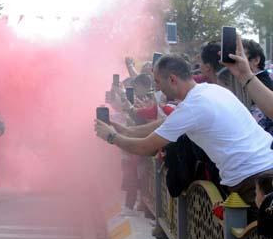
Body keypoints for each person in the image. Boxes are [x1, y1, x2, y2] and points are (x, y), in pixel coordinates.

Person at [95, 54, 273, 207]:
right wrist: (123, 129)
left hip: (252, 180)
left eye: (157, 81)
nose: (156, 88)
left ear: (172, 79)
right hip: (266, 165)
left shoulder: (191, 107)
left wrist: (111, 137)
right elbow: (162, 126)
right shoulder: (211, 91)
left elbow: (145, 147)